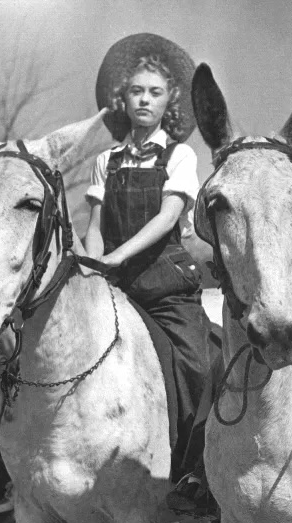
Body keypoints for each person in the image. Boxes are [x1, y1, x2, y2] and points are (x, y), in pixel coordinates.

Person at [85, 33, 209, 477]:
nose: (144, 100)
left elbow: (167, 217)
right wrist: (92, 268)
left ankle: (194, 472)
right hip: (116, 286)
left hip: (166, 287)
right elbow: (94, 227)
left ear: (169, 100)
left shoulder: (179, 155)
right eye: (137, 91)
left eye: (155, 92)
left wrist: (117, 257)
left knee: (198, 367)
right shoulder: (107, 161)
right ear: (123, 99)